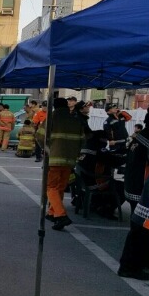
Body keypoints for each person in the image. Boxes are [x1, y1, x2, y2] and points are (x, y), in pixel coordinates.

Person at [118, 102, 149, 280]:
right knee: (140, 229)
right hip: (143, 188)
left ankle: (143, 259)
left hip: (137, 185)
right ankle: (129, 266)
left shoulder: (145, 133)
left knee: (142, 229)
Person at [46, 98, 85, 230]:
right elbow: (83, 140)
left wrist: (48, 151)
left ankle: (61, 215)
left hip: (55, 159)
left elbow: (40, 136)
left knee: (51, 187)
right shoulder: (75, 120)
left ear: (54, 107)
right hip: (70, 160)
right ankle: (53, 213)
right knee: (60, 187)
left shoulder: (51, 119)